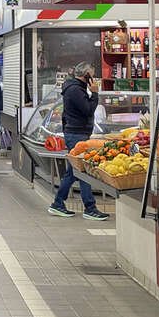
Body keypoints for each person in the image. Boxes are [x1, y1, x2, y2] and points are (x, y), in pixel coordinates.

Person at [50, 64, 109, 220]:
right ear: (86, 75)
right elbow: (88, 109)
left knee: (74, 171)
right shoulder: (76, 90)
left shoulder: (75, 88)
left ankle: (58, 203)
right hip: (77, 134)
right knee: (82, 171)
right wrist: (95, 94)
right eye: (92, 75)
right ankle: (90, 208)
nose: (94, 79)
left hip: (76, 133)